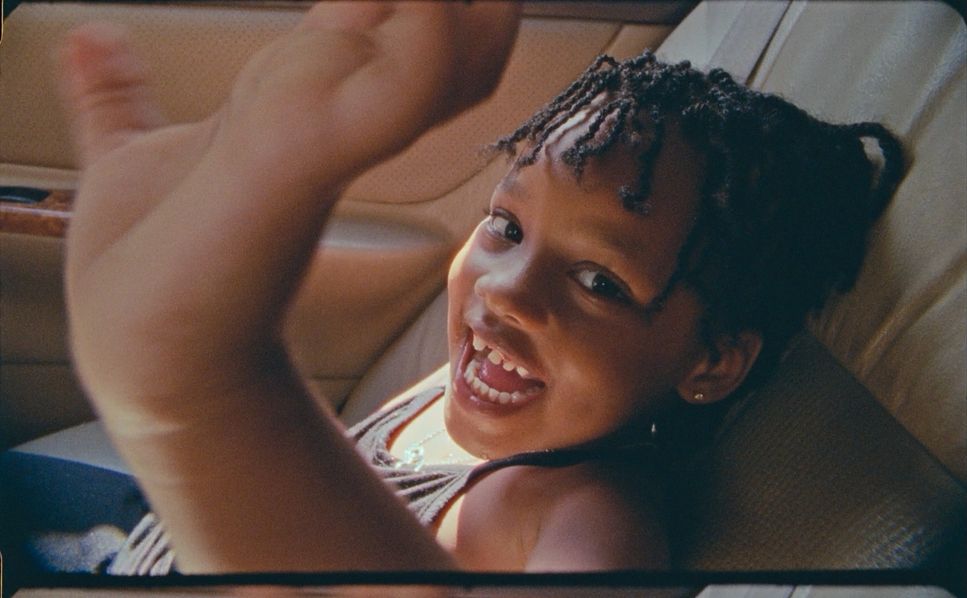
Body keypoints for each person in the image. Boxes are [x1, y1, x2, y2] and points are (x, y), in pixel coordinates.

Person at [57, 1, 903, 575]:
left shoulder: (586, 517)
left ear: (712, 361)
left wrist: (202, 385)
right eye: (506, 227)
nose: (503, 292)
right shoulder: (479, 381)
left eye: (599, 279)